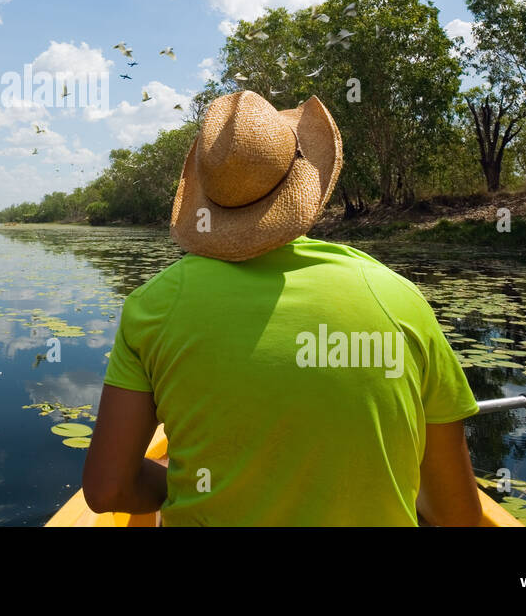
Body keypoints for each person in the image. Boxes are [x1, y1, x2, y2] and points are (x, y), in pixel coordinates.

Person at [82, 90, 483, 526]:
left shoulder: (152, 306)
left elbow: (109, 490)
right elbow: (458, 516)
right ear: (305, 184)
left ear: (208, 200)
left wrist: (183, 483)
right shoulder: (398, 297)